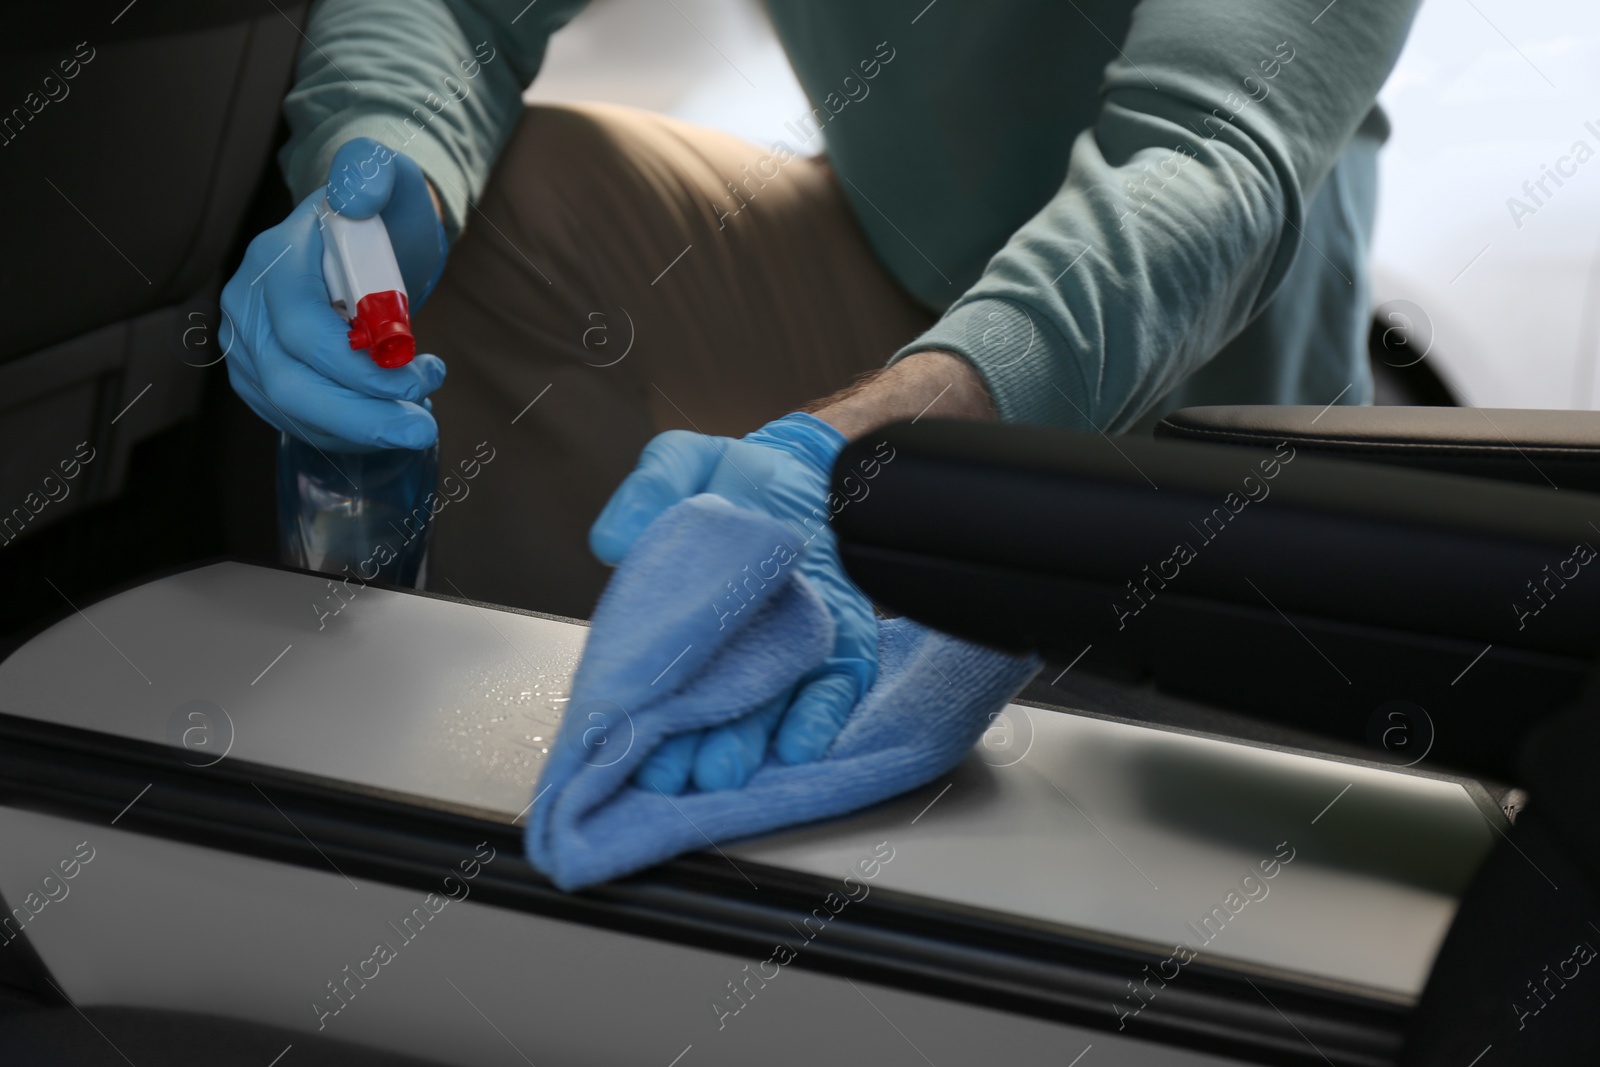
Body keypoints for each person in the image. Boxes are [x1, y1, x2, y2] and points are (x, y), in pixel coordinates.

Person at [221, 0, 1419, 795]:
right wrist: (375, 182)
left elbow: (1204, 163)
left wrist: (869, 443)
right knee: (506, 217)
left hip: (1205, 420)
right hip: (900, 276)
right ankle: (558, 777)